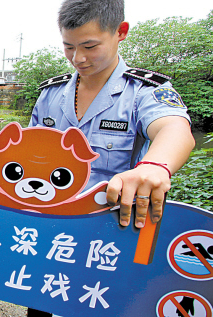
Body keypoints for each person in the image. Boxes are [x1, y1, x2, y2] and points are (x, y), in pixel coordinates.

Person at [28, 0, 195, 316]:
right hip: (51, 233)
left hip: (109, 238)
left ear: (121, 32)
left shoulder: (143, 92)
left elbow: (175, 129)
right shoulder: (50, 94)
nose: (78, 58)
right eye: (69, 47)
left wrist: (154, 166)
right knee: (40, 305)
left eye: (90, 46)